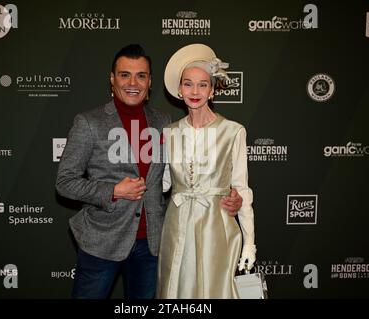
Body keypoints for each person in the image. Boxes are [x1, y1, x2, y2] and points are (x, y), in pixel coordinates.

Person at [55, 44, 243, 299]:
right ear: (112, 79)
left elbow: (191, 171)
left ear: (149, 82)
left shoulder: (164, 123)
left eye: (141, 75)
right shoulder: (89, 122)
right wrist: (112, 191)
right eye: (124, 75)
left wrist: (230, 195)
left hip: (152, 244)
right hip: (102, 242)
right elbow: (65, 182)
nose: (133, 82)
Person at [157, 43, 257, 298]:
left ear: (212, 90)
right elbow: (163, 183)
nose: (195, 91)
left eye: (203, 84)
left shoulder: (233, 131)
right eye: (188, 83)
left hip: (218, 228)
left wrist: (250, 245)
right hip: (177, 227)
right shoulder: (169, 133)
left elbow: (242, 188)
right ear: (179, 89)